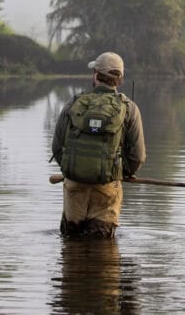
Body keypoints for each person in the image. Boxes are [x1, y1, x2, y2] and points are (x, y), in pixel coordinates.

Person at [51, 51, 146, 238]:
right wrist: (122, 172)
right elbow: (138, 156)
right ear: (120, 79)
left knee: (71, 240)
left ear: (95, 74)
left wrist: (73, 170)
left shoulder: (74, 103)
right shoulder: (129, 109)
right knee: (101, 245)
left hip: (74, 186)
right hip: (107, 187)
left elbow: (57, 147)